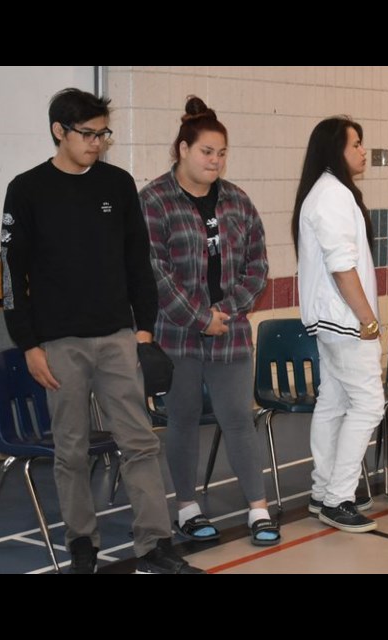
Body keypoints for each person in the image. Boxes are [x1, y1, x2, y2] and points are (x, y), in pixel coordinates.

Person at [0, 88, 202, 573]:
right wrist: (28, 344)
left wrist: (144, 330)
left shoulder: (116, 184)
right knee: (70, 449)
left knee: (139, 442)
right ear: (59, 132)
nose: (97, 143)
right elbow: (12, 275)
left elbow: (139, 261)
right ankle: (82, 541)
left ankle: (153, 542)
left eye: (103, 134)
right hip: (59, 342)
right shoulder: (26, 190)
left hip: (117, 336)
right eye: (88, 135)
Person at [140, 96, 279, 546]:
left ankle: (258, 508)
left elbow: (258, 263)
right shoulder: (155, 200)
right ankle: (187, 507)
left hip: (231, 331)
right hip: (177, 334)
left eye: (221, 153)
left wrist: (230, 310)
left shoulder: (237, 200)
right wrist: (199, 318)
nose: (215, 160)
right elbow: (153, 270)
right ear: (183, 149)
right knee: (180, 419)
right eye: (206, 151)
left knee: (238, 417)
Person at [292, 116, 384, 533]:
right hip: (345, 321)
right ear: (336, 150)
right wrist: (367, 317)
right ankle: (338, 498)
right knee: (368, 404)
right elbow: (341, 265)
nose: (364, 151)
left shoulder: (329, 192)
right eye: (357, 144)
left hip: (332, 321)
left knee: (333, 402)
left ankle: (323, 489)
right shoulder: (331, 195)